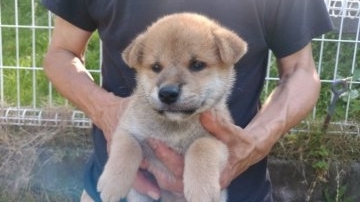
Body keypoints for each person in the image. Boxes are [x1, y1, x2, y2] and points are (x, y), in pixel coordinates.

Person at [41, 0, 333, 201]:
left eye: (196, 66)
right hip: (118, 186)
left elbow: (301, 72)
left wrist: (252, 144)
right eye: (156, 68)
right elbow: (60, 53)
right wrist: (104, 110)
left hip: (234, 191)